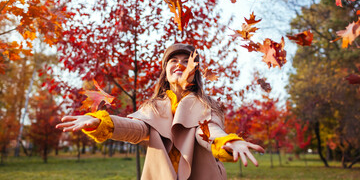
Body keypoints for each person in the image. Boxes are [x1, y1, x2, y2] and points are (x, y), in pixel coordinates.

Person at [56, 43, 264, 180]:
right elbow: (137, 128)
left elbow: (208, 130)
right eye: (174, 61)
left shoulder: (206, 103)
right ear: (165, 70)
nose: (179, 64)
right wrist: (102, 122)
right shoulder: (153, 106)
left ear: (195, 72)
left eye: (186, 61)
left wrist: (227, 141)